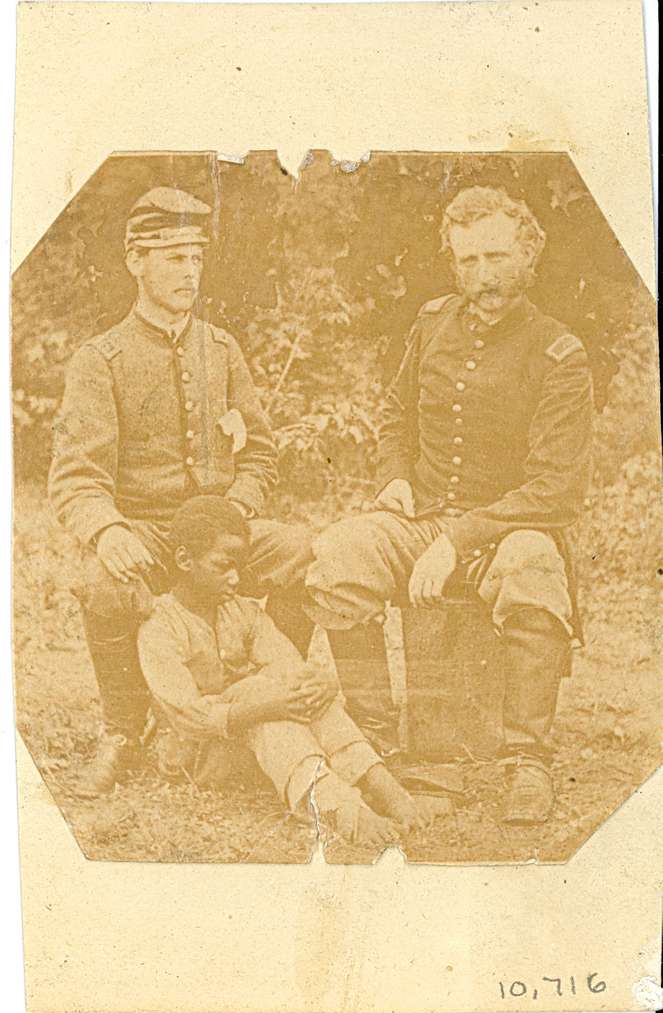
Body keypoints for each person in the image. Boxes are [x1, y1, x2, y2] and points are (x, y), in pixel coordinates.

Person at [304, 185, 595, 825]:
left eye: (496, 258)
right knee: (339, 553)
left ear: (529, 255)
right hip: (423, 516)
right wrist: (396, 475)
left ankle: (527, 760)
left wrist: (458, 538)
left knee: (531, 567)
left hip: (514, 527)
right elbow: (395, 412)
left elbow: (554, 492)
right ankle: (377, 739)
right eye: (467, 262)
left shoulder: (560, 354)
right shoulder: (433, 323)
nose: (482, 277)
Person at [49, 187, 313, 796]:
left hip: (222, 530)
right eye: (172, 257)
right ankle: (122, 730)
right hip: (148, 531)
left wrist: (238, 510)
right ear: (135, 261)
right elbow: (76, 476)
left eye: (196, 257)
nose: (189, 272)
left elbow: (263, 455)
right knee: (105, 584)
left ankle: (251, 696)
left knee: (300, 550)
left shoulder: (222, 350)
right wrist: (109, 529)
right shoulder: (101, 360)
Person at [137, 495, 436, 847]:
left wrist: (318, 684)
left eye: (239, 567)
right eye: (223, 566)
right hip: (197, 754)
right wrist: (268, 705)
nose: (235, 579)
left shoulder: (243, 612)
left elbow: (288, 666)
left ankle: (381, 785)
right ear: (185, 560)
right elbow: (190, 719)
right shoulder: (159, 627)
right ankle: (339, 808)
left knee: (289, 687)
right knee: (259, 694)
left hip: (255, 747)